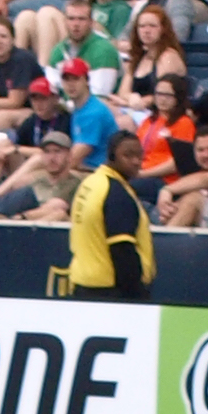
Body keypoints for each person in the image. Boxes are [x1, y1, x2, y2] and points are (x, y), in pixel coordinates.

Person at [68, 128, 154, 299]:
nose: (136, 161)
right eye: (128, 155)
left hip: (82, 283)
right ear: (112, 156)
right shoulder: (116, 193)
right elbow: (122, 249)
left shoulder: (90, 183)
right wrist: (135, 293)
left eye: (139, 155)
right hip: (108, 290)